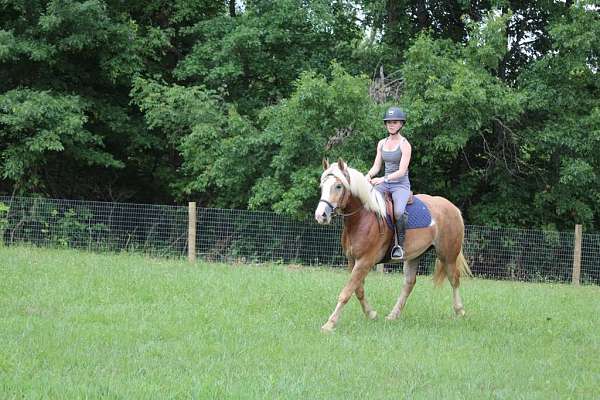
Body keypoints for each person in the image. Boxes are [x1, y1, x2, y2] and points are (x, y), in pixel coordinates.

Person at [365, 106, 412, 260]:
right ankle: (372, 239)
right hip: (384, 183)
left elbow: (402, 171)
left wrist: (383, 179)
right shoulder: (381, 143)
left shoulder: (405, 145)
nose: (391, 125)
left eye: (395, 122)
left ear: (401, 124)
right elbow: (376, 166)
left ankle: (400, 246)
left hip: (400, 184)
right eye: (388, 122)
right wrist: (368, 175)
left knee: (398, 211)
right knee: (368, 203)